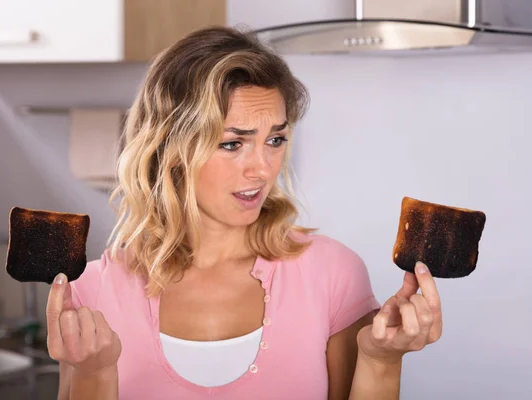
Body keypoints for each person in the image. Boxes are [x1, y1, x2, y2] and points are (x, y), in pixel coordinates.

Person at [45, 26, 443, 400]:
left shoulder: (332, 274)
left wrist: (382, 359)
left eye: (275, 139)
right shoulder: (93, 291)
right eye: (233, 144)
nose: (263, 168)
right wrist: (93, 373)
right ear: (170, 149)